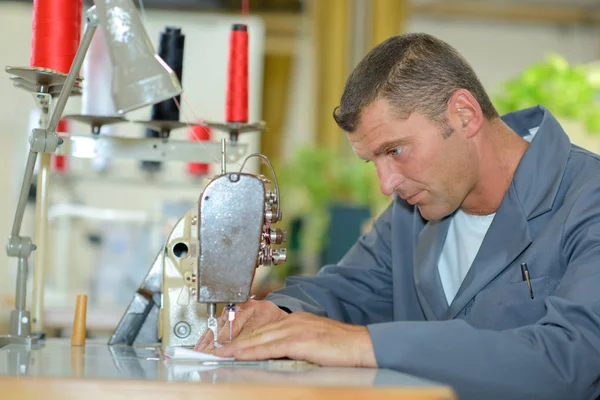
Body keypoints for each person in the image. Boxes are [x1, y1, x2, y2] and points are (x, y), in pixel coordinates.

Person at [195, 33, 600, 399]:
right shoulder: (413, 210)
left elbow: (569, 358)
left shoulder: (588, 199)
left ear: (464, 115)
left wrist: (362, 345)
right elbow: (347, 291)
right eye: (373, 160)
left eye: (395, 151)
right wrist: (277, 314)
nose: (386, 184)